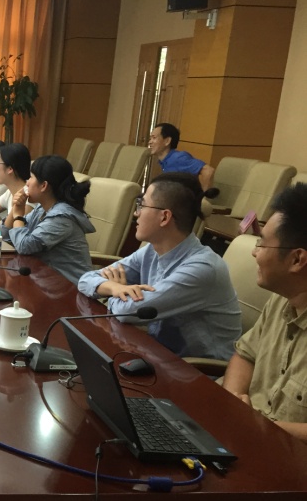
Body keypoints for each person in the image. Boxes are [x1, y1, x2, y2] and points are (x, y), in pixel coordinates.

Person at [78, 172, 241, 359]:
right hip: (159, 353)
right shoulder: (151, 250)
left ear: (164, 217)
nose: (136, 213)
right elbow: (86, 279)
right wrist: (115, 288)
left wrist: (113, 293)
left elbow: (127, 312)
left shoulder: (203, 268)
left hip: (198, 369)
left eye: (142, 205)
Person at [223, 183, 307, 440]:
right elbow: (245, 355)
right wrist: (234, 400)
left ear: (297, 260)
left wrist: (261, 427)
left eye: (262, 244)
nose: (254, 252)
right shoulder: (281, 300)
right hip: (245, 434)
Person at [7, 155, 95, 284]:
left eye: (31, 177)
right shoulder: (41, 209)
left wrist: (18, 216)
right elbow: (8, 236)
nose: (27, 183)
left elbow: (24, 246)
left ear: (43, 185)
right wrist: (16, 208)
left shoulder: (61, 218)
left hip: (71, 287)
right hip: (47, 281)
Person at [149, 123, 215, 191]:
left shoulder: (178, 158)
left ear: (167, 141)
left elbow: (208, 171)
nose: (150, 142)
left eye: (154, 138)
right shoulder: (164, 161)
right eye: (150, 138)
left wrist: (203, 196)